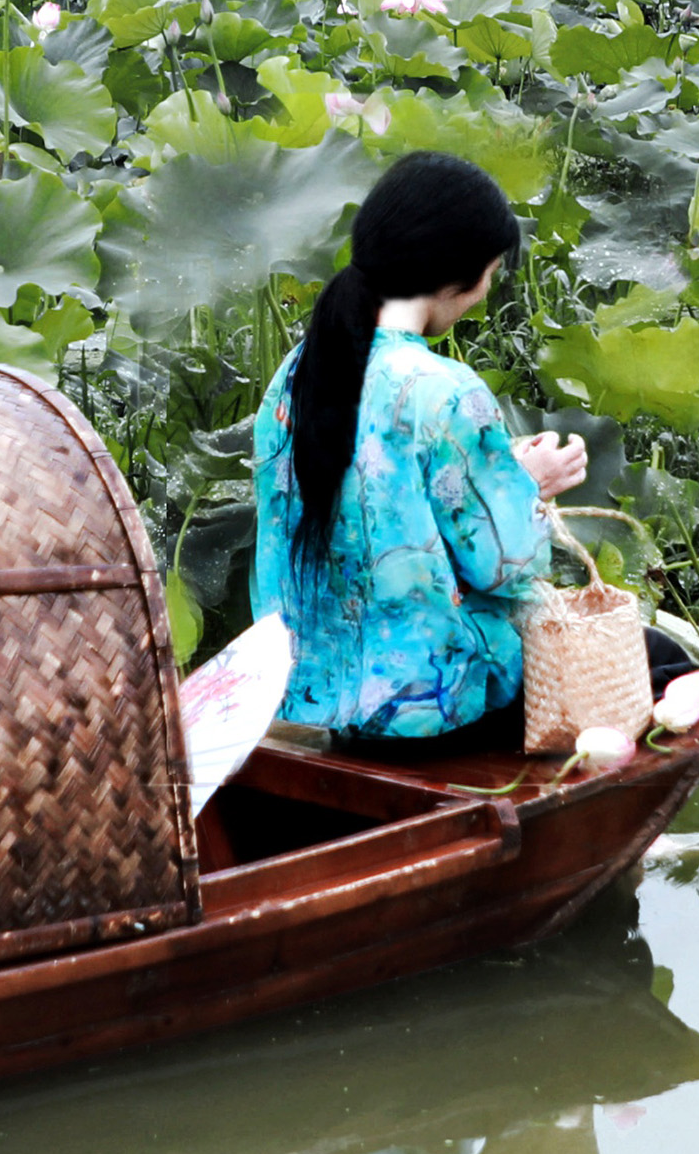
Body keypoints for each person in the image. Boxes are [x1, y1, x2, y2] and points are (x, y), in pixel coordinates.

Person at [246, 152, 595, 744]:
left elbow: (369, 483)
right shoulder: (445, 390)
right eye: (489, 273)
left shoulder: (299, 371)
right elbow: (504, 567)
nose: (485, 293)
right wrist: (524, 484)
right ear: (458, 272)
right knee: (658, 657)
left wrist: (496, 463)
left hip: (307, 690)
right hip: (430, 703)